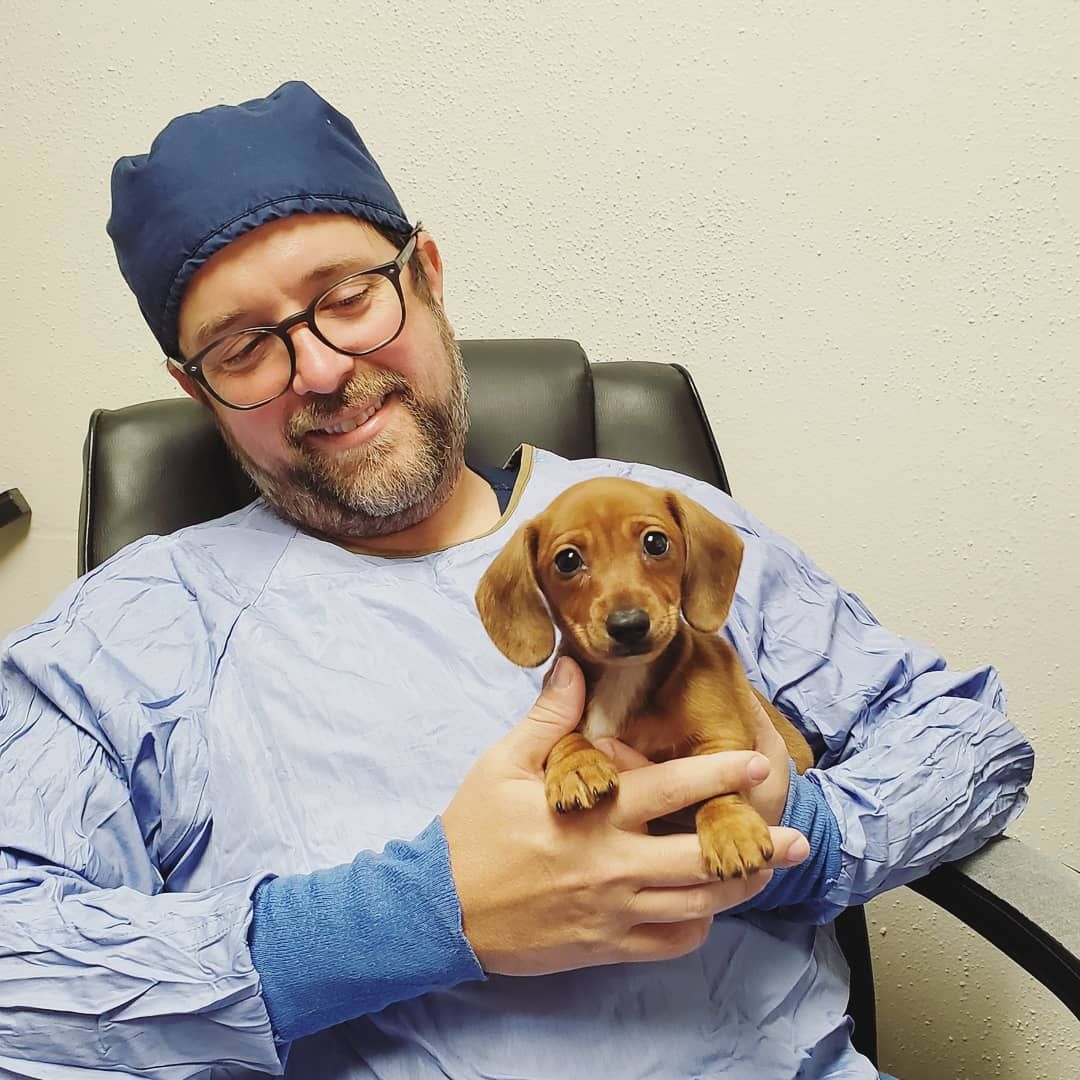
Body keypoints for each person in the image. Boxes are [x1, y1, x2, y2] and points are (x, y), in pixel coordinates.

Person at [0, 81, 1033, 1080]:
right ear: (194, 390)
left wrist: (808, 834)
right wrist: (418, 917)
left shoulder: (658, 524)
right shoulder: (132, 633)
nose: (316, 369)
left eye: (348, 297)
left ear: (429, 276)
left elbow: (972, 742)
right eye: (241, 349)